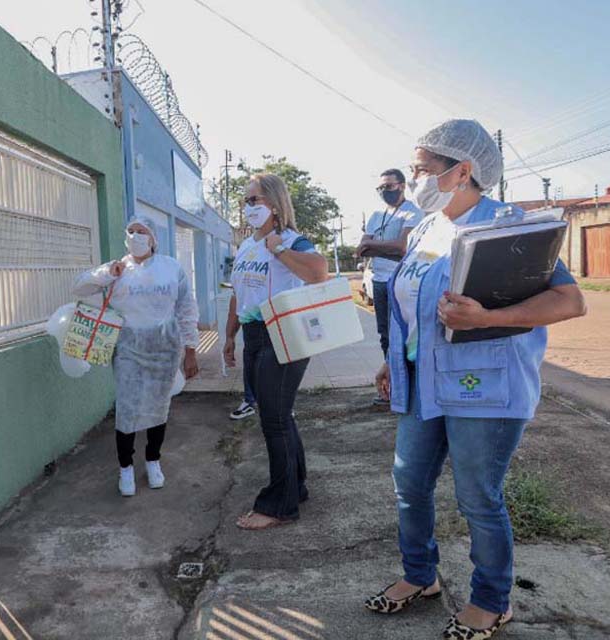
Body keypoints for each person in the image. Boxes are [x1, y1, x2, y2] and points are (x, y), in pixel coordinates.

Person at [365, 119, 586, 639]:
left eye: (422, 168)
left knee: (477, 498)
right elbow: (412, 307)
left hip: (483, 388)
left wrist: (487, 317)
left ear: (462, 170)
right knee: (409, 484)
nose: (413, 179)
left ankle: (491, 600)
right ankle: (420, 576)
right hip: (423, 381)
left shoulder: (509, 226)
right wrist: (394, 359)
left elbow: (570, 301)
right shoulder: (426, 229)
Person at [223, 174, 329, 530]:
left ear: (274, 202)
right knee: (279, 414)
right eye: (246, 201)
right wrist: (230, 335)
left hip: (283, 331)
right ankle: (295, 486)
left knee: (275, 419)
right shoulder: (246, 245)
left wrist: (280, 249)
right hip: (254, 333)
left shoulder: (293, 240)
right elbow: (238, 293)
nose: (248, 206)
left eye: (254, 200)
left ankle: (279, 505)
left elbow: (319, 272)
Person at [73, 216, 200, 497]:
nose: (135, 236)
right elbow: (79, 288)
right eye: (130, 231)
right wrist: (106, 274)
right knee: (127, 409)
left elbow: (186, 308)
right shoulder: (118, 269)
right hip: (128, 349)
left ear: (153, 238)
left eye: (141, 231)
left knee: (158, 406)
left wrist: (191, 349)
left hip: (164, 349)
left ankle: (153, 460)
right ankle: (126, 467)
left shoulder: (171, 268)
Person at [357, 169, 424, 405]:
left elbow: (403, 248)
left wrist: (375, 245)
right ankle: (392, 386)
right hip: (378, 281)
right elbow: (362, 248)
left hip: (401, 281)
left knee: (403, 335)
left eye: (389, 186)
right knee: (385, 335)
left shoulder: (413, 212)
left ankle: (409, 385)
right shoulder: (377, 215)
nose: (384, 191)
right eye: (380, 188)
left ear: (402, 185)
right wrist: (387, 247)